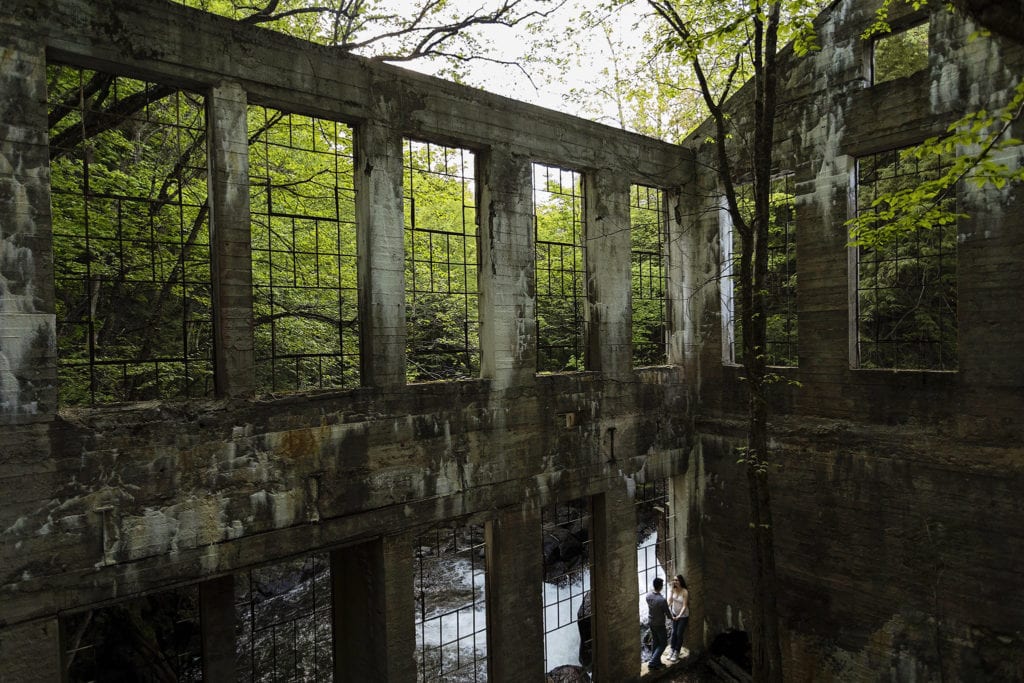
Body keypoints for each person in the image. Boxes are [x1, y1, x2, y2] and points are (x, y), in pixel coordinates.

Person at [645, 577, 673, 670]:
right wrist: (673, 618)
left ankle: (656, 662)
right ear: (661, 587)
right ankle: (653, 662)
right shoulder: (661, 600)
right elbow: (668, 613)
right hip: (659, 624)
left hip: (651, 622)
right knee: (663, 643)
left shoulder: (648, 595)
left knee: (655, 642)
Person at [667, 574, 690, 662]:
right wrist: (666, 609)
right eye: (674, 580)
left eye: (676, 580)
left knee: (679, 633)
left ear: (680, 581)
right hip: (674, 613)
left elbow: (684, 606)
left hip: (683, 616)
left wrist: (679, 616)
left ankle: (677, 651)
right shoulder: (673, 589)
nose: (675, 582)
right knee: (673, 633)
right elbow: (670, 600)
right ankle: (672, 649)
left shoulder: (684, 591)